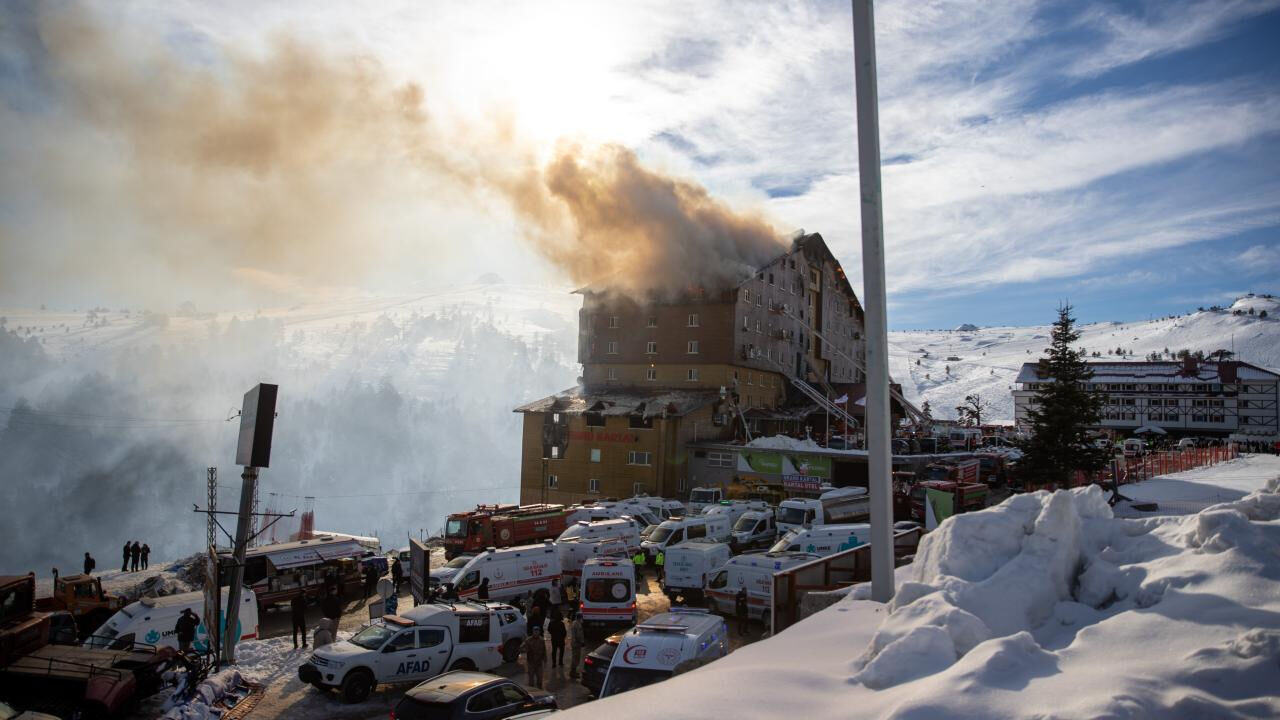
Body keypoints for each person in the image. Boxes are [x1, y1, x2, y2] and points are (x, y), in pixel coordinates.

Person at [568, 610, 585, 679]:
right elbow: (578, 635)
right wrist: (582, 642)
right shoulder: (578, 624)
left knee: (575, 658)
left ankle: (573, 672)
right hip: (576, 644)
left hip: (574, 643)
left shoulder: (574, 623)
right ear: (580, 617)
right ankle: (573, 672)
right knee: (575, 658)